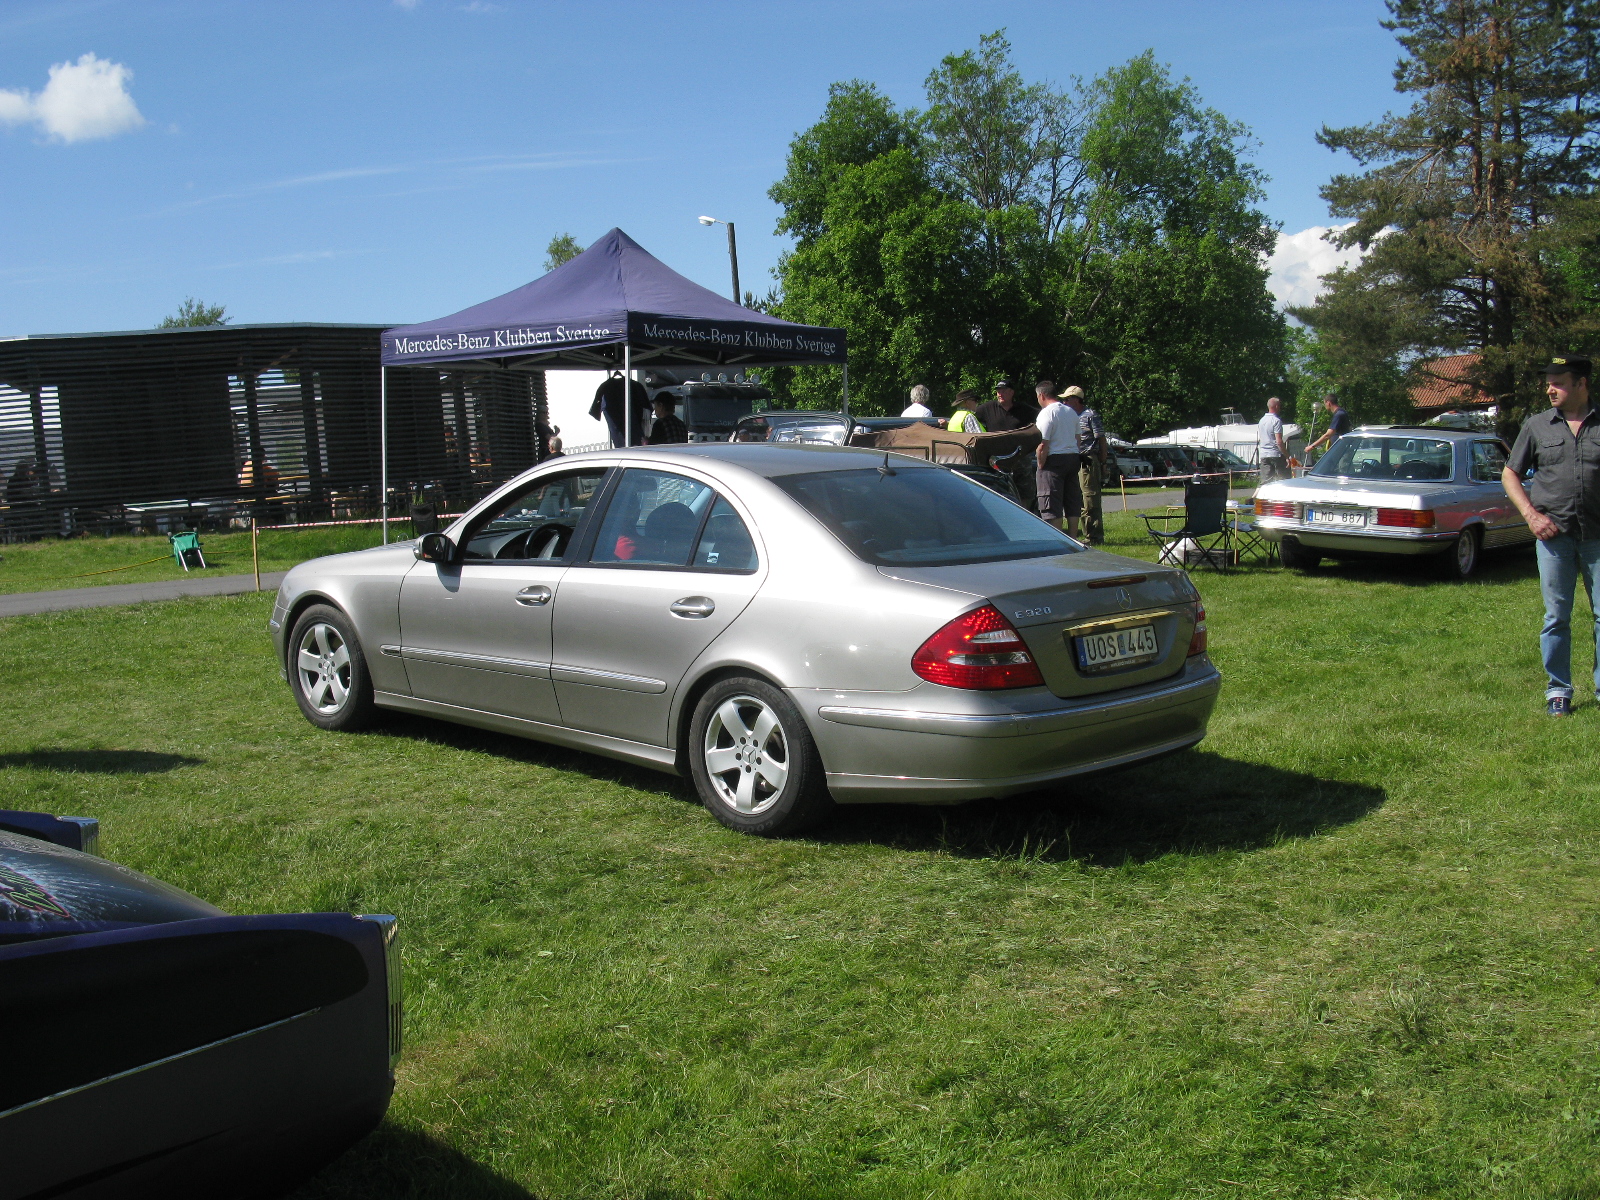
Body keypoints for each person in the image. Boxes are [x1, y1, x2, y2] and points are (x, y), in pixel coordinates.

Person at [1503, 355, 1600, 717]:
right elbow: (1510, 474)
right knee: (1557, 616)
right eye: (1548, 381)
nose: (1550, 388)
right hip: (1553, 536)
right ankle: (1558, 691)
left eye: (1558, 382)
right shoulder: (1537, 426)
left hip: (1597, 536)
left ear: (1581, 383)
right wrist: (1531, 516)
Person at [977, 378, 1040, 506]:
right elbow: (970, 420)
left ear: (1012, 392)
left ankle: (1023, 515)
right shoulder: (987, 408)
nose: (1000, 394)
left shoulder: (1024, 410)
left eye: (1003, 391)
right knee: (996, 490)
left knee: (1025, 490)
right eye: (998, 391)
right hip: (995, 459)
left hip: (1020, 457)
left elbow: (1041, 421)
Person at [1034, 384, 1081, 537]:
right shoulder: (1071, 412)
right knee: (1072, 499)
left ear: (1041, 395)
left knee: (1051, 500)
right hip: (1073, 457)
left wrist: (1041, 464)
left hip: (1054, 460)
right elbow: (1078, 438)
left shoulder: (1046, 413)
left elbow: (1043, 443)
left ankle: (1058, 537)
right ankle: (1073, 537)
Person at [1061, 386, 1106, 544]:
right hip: (1073, 458)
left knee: (1090, 499)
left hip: (1088, 458)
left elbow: (1101, 439)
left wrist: (1102, 461)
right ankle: (1084, 533)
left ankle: (1094, 536)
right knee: (1077, 499)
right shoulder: (1069, 416)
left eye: (1067, 399)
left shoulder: (1090, 415)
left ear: (1076, 399)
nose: (1064, 402)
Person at [590, 371, 650, 447]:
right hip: (636, 438)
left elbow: (595, 412)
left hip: (619, 440)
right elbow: (648, 413)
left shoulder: (604, 387)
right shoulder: (636, 386)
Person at [1303, 394, 1351, 459]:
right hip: (1339, 450)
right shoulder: (1341, 412)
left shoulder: (1339, 414)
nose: (1324, 406)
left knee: (1343, 469)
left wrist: (1312, 446)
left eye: (1324, 403)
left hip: (1342, 452)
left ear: (1328, 403)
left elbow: (1328, 435)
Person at [1257, 397, 1291, 482]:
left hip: (1264, 454)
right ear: (1276, 406)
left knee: (1265, 481)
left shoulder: (1262, 420)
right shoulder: (1276, 421)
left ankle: (1257, 495)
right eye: (1279, 406)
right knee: (1283, 480)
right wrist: (1287, 456)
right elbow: (1279, 441)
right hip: (1275, 454)